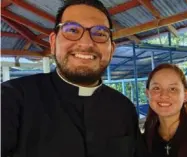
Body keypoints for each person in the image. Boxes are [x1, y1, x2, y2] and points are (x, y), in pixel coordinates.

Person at [1, 1, 140, 157]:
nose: (86, 43)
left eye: (100, 33)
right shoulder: (11, 98)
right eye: (72, 30)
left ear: (112, 49)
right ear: (53, 42)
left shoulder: (124, 108)